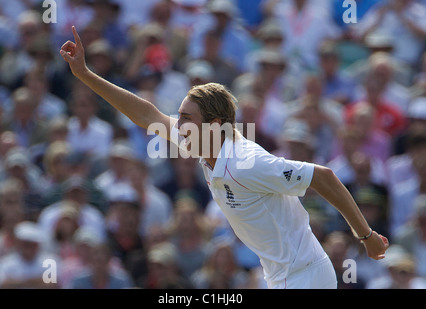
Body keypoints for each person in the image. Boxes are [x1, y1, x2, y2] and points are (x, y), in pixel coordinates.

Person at [59, 26, 389, 289]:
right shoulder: (200, 139)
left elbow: (324, 176)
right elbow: (147, 115)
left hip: (306, 277)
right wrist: (85, 75)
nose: (178, 125)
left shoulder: (246, 162)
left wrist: (367, 236)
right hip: (281, 274)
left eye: (186, 118)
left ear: (214, 125)